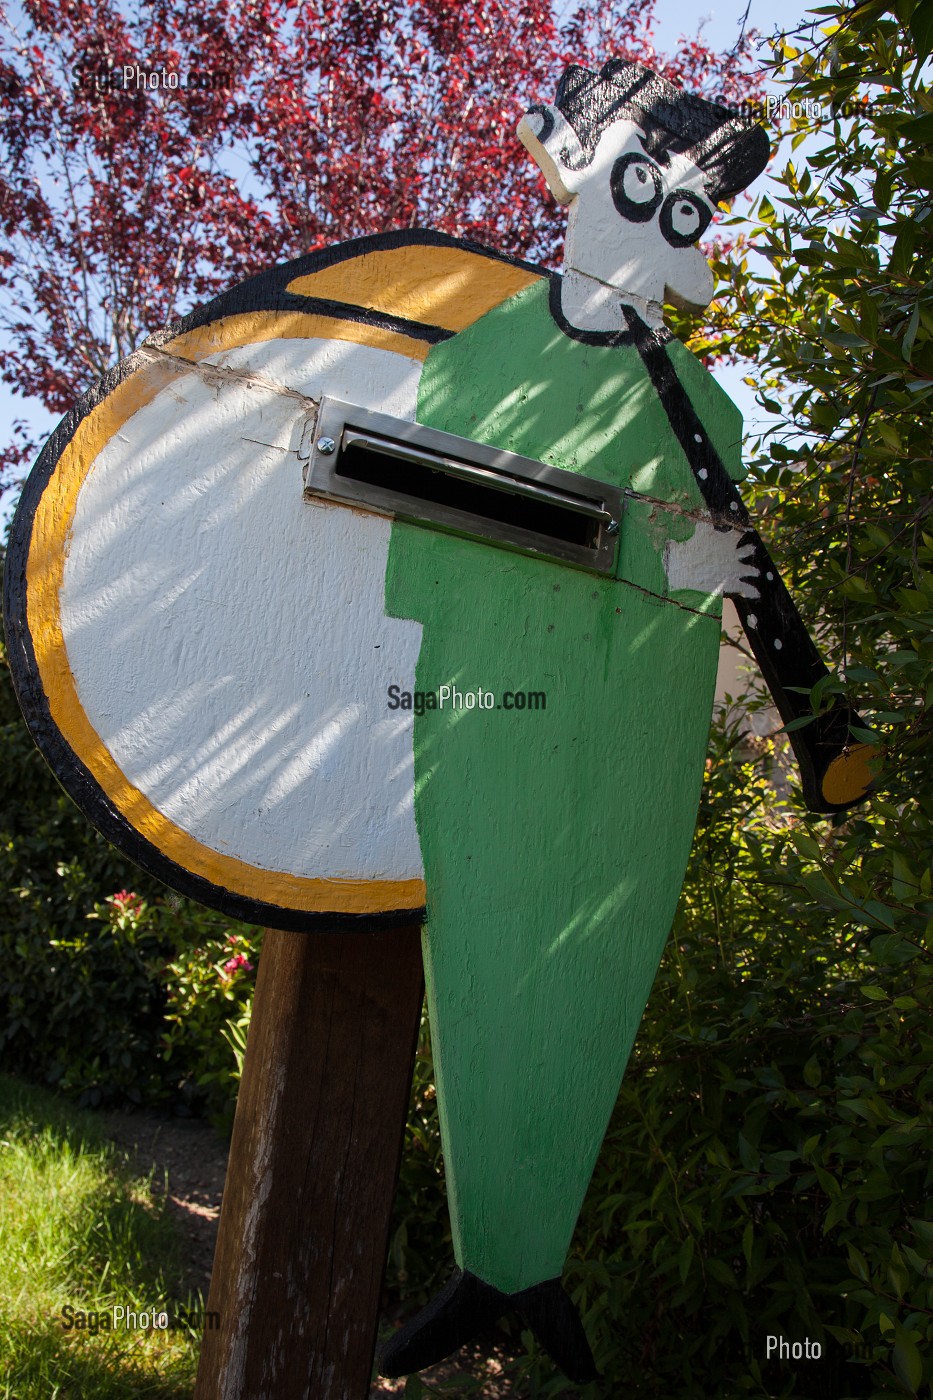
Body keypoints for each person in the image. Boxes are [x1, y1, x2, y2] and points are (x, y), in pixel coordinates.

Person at [379, 59, 770, 1382]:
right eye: (642, 183)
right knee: (485, 960)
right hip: (486, 716)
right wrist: (648, 560)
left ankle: (527, 1263)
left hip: (630, 750)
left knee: (586, 981)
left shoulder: (702, 409)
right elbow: (423, 533)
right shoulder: (477, 354)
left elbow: (695, 588)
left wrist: (686, 581)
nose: (663, 223)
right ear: (580, 170)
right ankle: (489, 1260)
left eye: (688, 211)